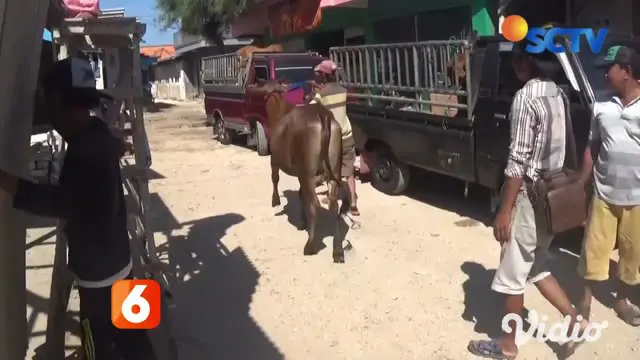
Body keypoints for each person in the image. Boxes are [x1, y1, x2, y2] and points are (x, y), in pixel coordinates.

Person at [0, 56, 157, 360]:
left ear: (58, 101)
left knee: (94, 345)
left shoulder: (84, 151)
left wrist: (6, 181)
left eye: (47, 104)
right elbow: (109, 149)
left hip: (97, 281)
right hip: (120, 265)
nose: (47, 113)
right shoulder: (96, 132)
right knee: (137, 340)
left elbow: (61, 202)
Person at [467, 42, 587, 359]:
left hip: (531, 199)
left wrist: (504, 210)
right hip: (554, 196)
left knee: (509, 279)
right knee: (535, 266)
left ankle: (507, 346)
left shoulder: (526, 97)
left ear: (523, 62)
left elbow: (518, 161)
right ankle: (575, 320)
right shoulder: (559, 93)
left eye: (516, 61)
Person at [578, 45, 640, 326]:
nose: (604, 74)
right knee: (593, 250)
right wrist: (582, 180)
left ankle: (622, 300)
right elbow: (593, 145)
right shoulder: (601, 105)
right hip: (603, 193)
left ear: (626, 72)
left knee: (632, 255)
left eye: (609, 68)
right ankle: (584, 302)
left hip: (637, 198)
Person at [309, 59, 360, 216]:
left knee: (331, 171)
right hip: (347, 136)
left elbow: (310, 109)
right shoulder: (343, 91)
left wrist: (315, 93)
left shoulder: (321, 95)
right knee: (349, 172)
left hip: (332, 140)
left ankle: (333, 198)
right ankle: (353, 204)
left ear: (323, 76)